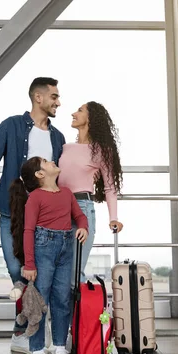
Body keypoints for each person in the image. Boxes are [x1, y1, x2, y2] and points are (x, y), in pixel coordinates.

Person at [0, 77, 66, 354]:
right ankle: (22, 329)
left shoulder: (57, 137)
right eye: (54, 97)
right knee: (17, 271)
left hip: (46, 218)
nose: (58, 102)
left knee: (40, 274)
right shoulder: (11, 126)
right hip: (11, 211)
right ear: (38, 97)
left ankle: (30, 332)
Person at [9, 156, 88, 354]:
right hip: (43, 248)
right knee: (39, 302)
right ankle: (37, 351)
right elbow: (28, 231)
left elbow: (79, 216)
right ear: (40, 174)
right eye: (45, 161)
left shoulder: (66, 194)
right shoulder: (35, 197)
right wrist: (30, 264)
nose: (51, 161)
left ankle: (60, 347)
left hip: (65, 248)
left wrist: (83, 227)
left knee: (62, 299)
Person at [58, 101, 124, 282]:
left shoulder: (102, 151)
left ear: (91, 118)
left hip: (81, 208)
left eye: (79, 110)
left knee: (73, 274)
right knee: (58, 272)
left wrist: (113, 218)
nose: (73, 113)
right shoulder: (65, 147)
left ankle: (76, 311)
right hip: (58, 209)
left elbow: (110, 187)